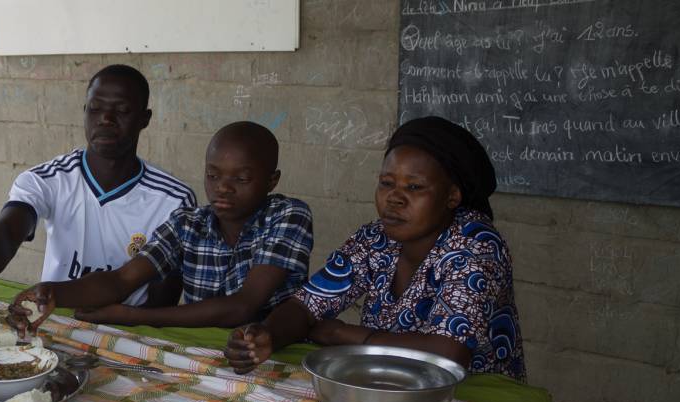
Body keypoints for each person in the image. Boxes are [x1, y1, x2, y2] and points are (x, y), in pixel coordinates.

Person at [225, 116, 526, 380]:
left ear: (452, 196)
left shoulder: (476, 244)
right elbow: (306, 305)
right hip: (385, 385)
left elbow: (448, 353)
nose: (394, 198)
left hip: (476, 397)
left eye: (414, 187)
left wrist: (340, 333)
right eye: (386, 183)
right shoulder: (375, 238)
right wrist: (267, 335)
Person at [0, 64, 196, 314]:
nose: (106, 119)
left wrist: (124, 323)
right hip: (49, 316)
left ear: (144, 119)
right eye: (95, 109)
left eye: (122, 110)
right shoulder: (47, 179)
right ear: (84, 112)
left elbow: (164, 297)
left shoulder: (173, 200)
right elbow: (7, 231)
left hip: (128, 325)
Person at [7, 121, 314, 331]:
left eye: (241, 179)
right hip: (201, 350)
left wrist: (136, 316)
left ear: (272, 181)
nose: (223, 188)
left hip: (269, 351)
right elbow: (122, 280)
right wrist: (53, 292)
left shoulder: (287, 216)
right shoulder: (188, 223)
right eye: (213, 175)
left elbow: (243, 307)